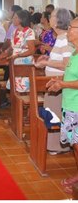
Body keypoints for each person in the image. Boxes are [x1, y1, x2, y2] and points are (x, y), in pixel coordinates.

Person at [46, 18, 78, 194]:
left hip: (77, 105)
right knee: (75, 144)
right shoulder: (74, 52)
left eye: (72, 27)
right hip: (70, 104)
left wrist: (63, 85)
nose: (69, 30)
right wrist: (58, 80)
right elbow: (70, 76)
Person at [35, 8, 73, 154]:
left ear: (59, 20)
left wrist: (47, 63)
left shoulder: (64, 39)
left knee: (55, 113)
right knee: (52, 112)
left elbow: (66, 64)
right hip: (53, 82)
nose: (49, 18)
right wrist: (48, 59)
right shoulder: (59, 37)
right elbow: (59, 59)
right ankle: (53, 144)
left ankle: (58, 146)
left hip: (60, 84)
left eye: (51, 16)